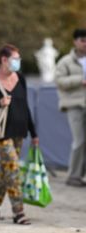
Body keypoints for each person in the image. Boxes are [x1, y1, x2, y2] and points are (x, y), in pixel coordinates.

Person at [0, 44, 39, 225]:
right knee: (13, 168)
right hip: (1, 133)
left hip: (20, 131)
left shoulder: (20, 78)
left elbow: (25, 107)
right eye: (15, 59)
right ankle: (19, 212)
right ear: (4, 60)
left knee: (6, 171)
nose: (18, 62)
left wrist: (34, 132)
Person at [55, 28, 86, 187]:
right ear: (75, 41)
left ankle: (81, 176)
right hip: (74, 105)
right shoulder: (65, 61)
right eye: (82, 40)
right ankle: (73, 176)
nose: (85, 43)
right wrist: (80, 80)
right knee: (79, 141)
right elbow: (59, 81)